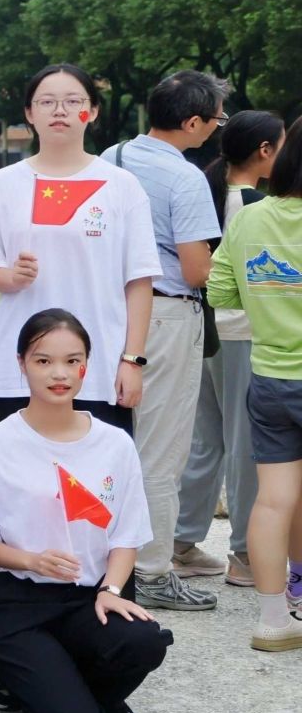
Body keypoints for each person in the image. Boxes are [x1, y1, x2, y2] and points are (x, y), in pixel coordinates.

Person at [0, 309, 172, 713]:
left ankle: (94, 693)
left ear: (86, 366)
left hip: (87, 599)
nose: (59, 374)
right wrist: (31, 560)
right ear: (21, 364)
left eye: (72, 361)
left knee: (143, 641)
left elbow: (126, 535)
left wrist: (111, 590)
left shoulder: (115, 443)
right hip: (16, 604)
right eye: (43, 361)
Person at [101, 71, 230, 612]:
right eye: (217, 117)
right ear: (193, 122)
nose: (219, 126)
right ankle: (152, 572)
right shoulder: (185, 177)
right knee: (161, 449)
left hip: (108, 312)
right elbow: (197, 269)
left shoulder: (111, 157)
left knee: (109, 442)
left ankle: (107, 562)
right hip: (166, 314)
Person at [0, 65, 158, 440]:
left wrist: (132, 360)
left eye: (73, 101)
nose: (60, 110)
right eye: (47, 102)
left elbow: (139, 280)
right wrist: (12, 277)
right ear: (29, 113)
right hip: (19, 369)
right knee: (16, 470)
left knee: (96, 472)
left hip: (97, 366)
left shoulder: (121, 186)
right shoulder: (1, 184)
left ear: (92, 111)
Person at [205, 122, 302, 651]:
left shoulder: (250, 216)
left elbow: (220, 291)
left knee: (274, 500)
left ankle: (273, 619)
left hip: (269, 376)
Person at [180, 110, 284, 589]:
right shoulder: (255, 205)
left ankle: (181, 541)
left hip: (203, 328)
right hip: (241, 332)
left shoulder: (207, 192)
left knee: (207, 439)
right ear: (264, 151)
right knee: (245, 443)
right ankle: (244, 551)